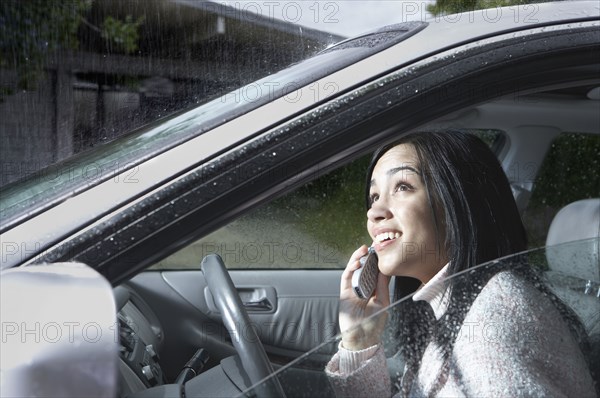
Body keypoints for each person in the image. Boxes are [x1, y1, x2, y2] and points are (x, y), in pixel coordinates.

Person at [325, 132, 596, 397]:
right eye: (374, 196)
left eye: (402, 186)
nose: (374, 212)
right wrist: (359, 340)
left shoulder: (494, 322)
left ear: (458, 202)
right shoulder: (456, 304)